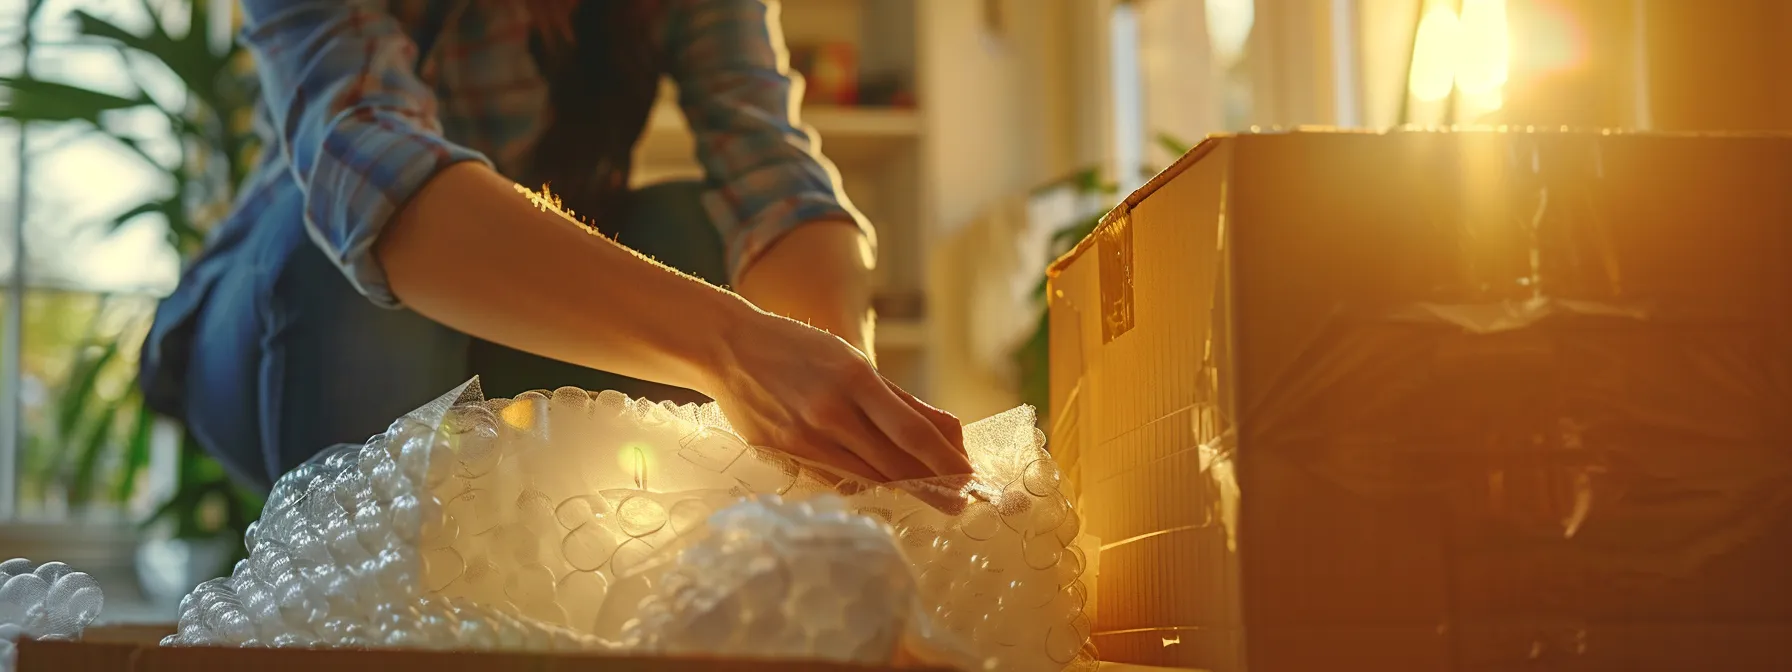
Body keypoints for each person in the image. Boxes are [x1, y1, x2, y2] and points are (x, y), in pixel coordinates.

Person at [139, 0, 970, 493]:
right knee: (346, 266)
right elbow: (375, 175)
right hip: (278, 330)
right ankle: (369, 611)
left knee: (694, 228)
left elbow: (769, 167)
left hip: (519, 341)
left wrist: (849, 428)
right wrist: (732, 346)